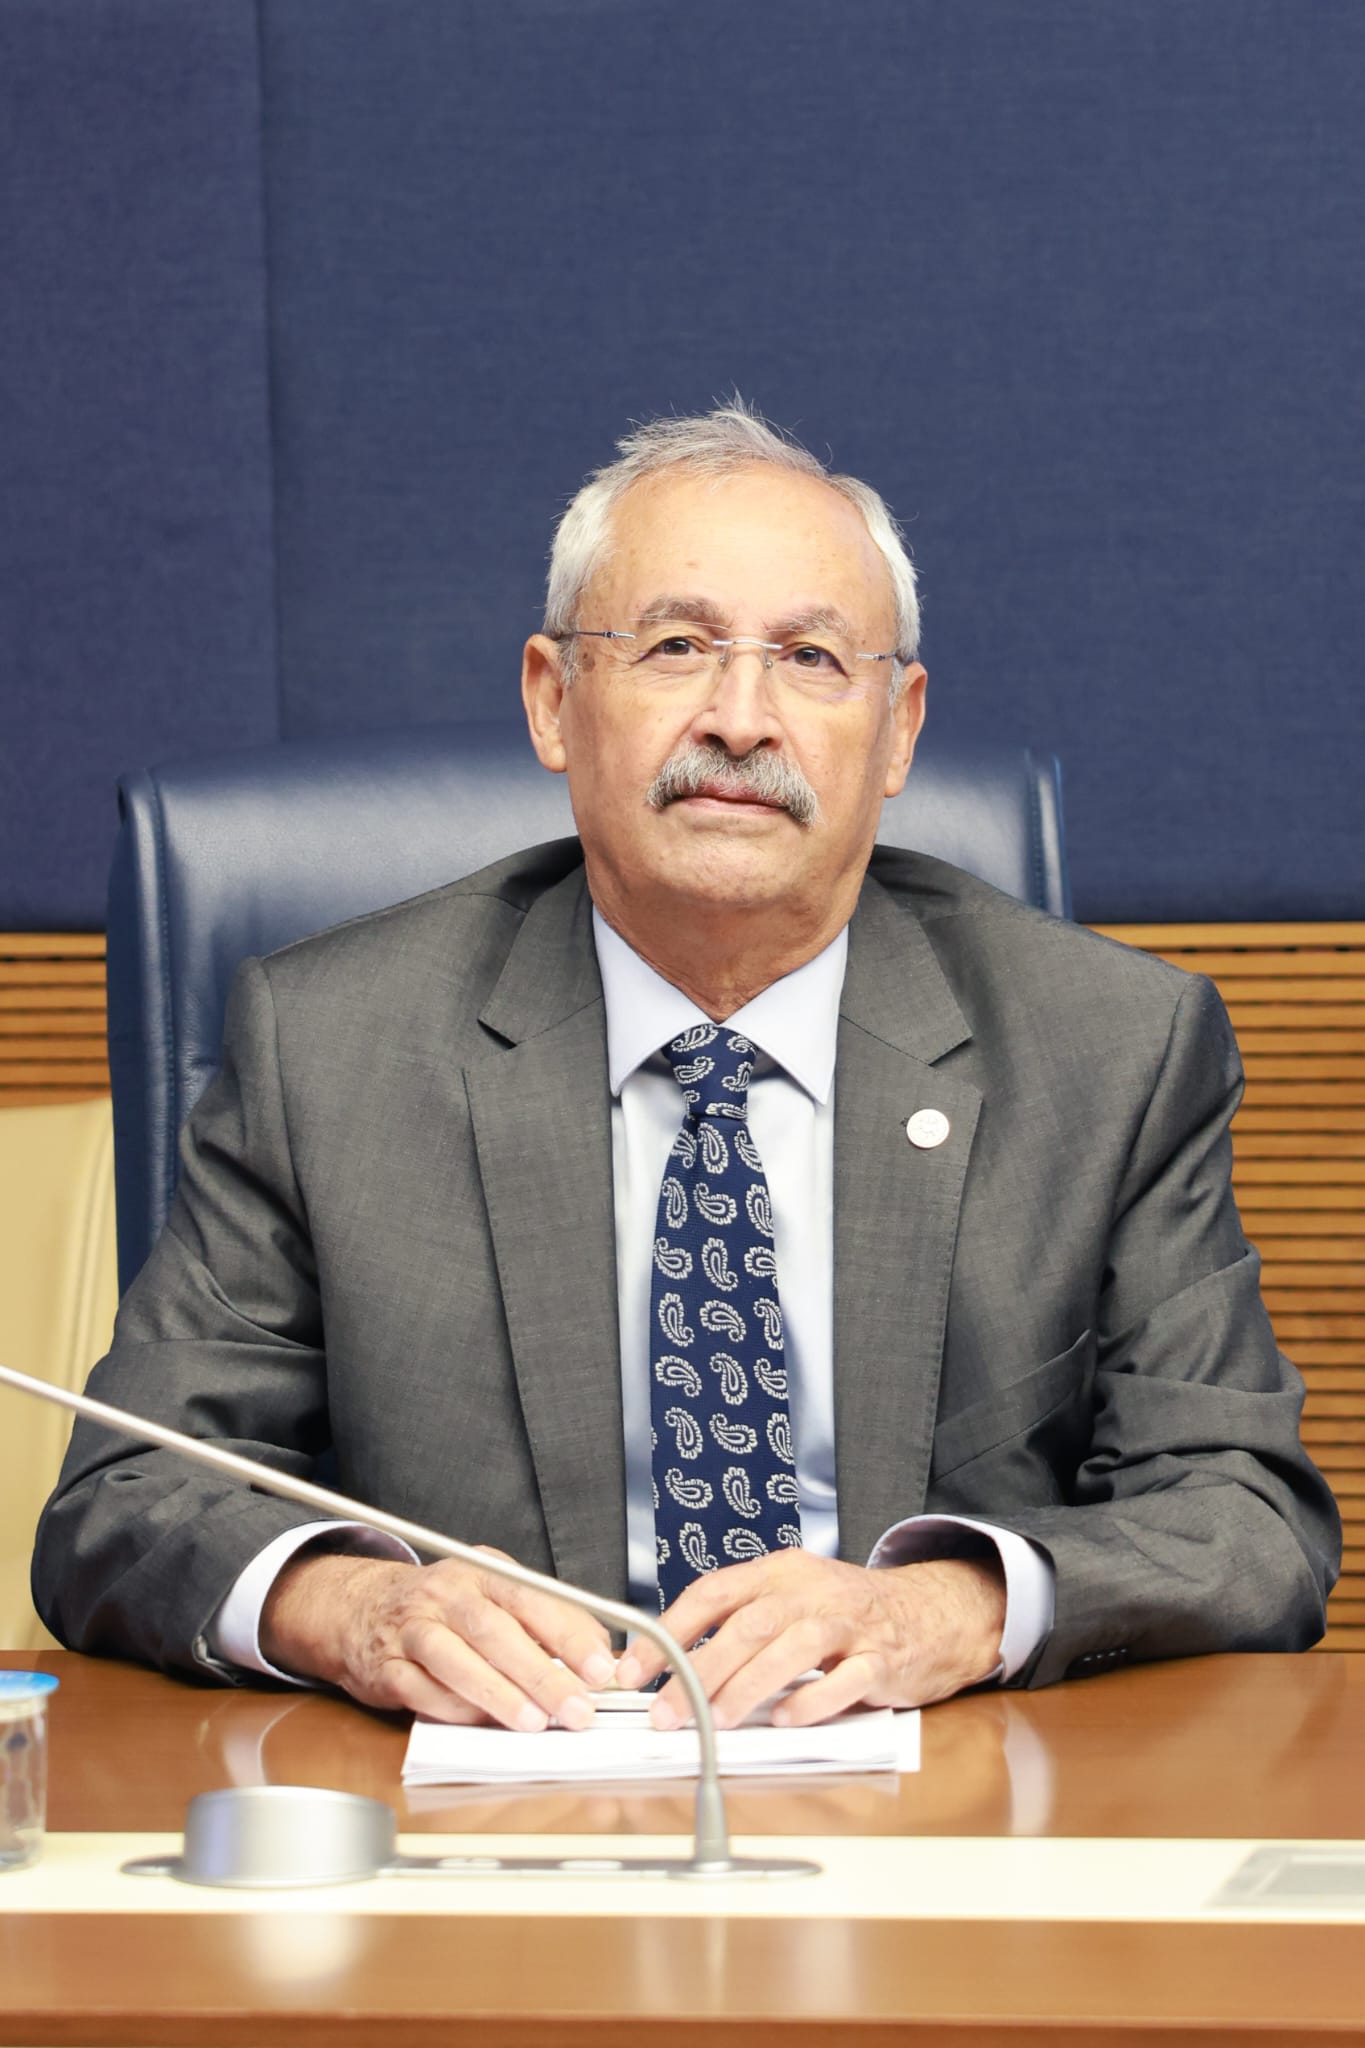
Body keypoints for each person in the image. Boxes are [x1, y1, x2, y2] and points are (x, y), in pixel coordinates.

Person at [34, 403, 1340, 1736]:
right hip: (491, 1794)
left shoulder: (1108, 1049)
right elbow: (122, 1505)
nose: (740, 719)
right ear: (553, 700)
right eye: (675, 647)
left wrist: (945, 1609)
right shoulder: (329, 1045)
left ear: (897, 730)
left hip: (935, 1787)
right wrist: (357, 1610)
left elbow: (1244, 1518)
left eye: (811, 658)